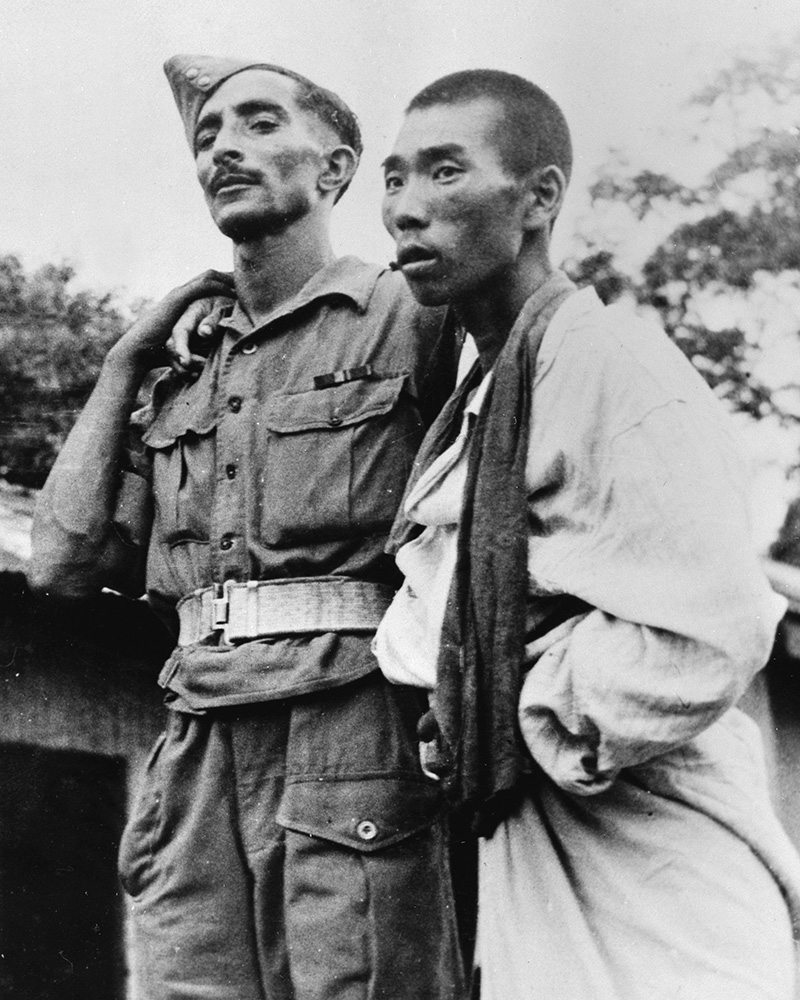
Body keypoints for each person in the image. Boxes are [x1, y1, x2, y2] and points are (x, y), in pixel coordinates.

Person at [28, 55, 466, 1000]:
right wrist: (121, 364)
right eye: (207, 135)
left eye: (260, 123)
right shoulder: (179, 367)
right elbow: (60, 565)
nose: (224, 146)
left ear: (336, 167)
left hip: (349, 730)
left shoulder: (410, 313)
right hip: (195, 743)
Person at [373, 68, 800, 999]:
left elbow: (712, 629)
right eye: (394, 179)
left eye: (445, 172)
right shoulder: (481, 393)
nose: (406, 208)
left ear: (540, 198)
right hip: (540, 842)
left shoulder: (614, 366)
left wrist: (516, 710)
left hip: (656, 844)